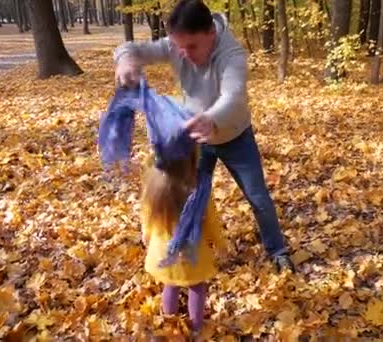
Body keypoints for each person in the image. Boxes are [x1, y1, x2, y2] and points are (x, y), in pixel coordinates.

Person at [113, 0, 294, 273]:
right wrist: (125, 60)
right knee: (187, 196)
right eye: (179, 47)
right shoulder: (178, 45)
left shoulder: (231, 54)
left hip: (234, 136)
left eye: (192, 47)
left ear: (211, 33)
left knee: (258, 196)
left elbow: (232, 96)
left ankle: (277, 250)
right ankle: (187, 250)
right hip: (194, 138)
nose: (184, 54)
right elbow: (133, 49)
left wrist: (212, 118)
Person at [140, 147, 227, 335]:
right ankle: (196, 327)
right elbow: (211, 220)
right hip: (192, 253)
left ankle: (169, 322)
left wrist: (146, 234)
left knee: (170, 285)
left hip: (165, 252)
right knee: (197, 287)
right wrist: (220, 244)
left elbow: (147, 216)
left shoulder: (156, 185)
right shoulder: (199, 188)